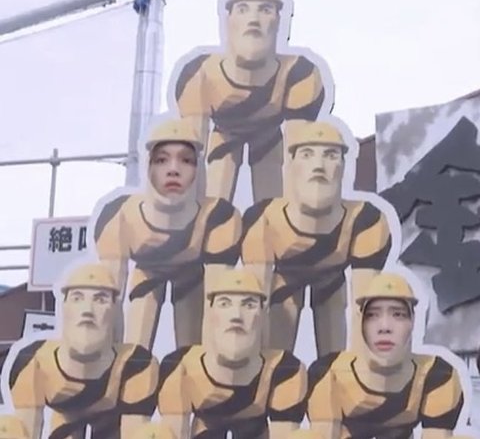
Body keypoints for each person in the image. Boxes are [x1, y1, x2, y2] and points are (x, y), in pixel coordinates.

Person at [241, 119, 393, 357]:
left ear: (343, 165)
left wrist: (359, 369)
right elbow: (255, 302)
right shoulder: (262, 219)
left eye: (331, 155)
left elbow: (363, 308)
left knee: (336, 315)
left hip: (332, 281)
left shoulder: (366, 220)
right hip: (284, 281)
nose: (319, 165)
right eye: (307, 154)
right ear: (292, 163)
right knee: (272, 351)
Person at [174, 0, 330, 203]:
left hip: (269, 137)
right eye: (243, 9)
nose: (254, 19)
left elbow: (297, 156)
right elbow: (191, 152)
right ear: (228, 19)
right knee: (214, 190)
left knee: (273, 190)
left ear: (278, 20)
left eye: (265, 10)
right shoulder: (198, 74)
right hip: (224, 134)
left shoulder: (300, 74)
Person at [94, 118, 242, 349]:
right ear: (148, 166)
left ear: (198, 169)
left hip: (192, 277)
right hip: (145, 274)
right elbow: (110, 301)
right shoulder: (118, 216)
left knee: (194, 351)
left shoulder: (219, 217)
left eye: (186, 160)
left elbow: (217, 303)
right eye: (162, 160)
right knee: (134, 347)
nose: (173, 169)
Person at [3, 264, 159, 439]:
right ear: (64, 306)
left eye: (100, 300)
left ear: (115, 311)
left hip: (111, 421)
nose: (87, 310)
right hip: (64, 416)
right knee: (8, 429)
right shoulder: (33, 362)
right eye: (77, 298)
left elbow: (135, 431)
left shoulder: (137, 364)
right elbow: (26, 430)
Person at [307, 272, 465, 439]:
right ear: (361, 321)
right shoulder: (328, 373)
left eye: (398, 314)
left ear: (412, 321)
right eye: (373, 315)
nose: (385, 327)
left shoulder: (437, 375)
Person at [157, 269, 307, 439]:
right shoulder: (178, 367)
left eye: (249, 305)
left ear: (263, 316)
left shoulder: (285, 370)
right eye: (224, 304)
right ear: (210, 313)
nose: (236, 316)